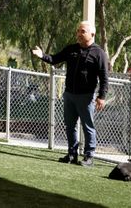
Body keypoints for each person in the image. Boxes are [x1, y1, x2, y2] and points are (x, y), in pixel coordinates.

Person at [32, 21, 108, 166]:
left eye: (82, 31)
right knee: (70, 125)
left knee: (88, 126)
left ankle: (89, 156)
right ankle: (72, 154)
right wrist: (42, 55)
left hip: (86, 97)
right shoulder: (71, 49)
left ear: (92, 34)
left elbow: (104, 77)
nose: (79, 34)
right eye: (78, 31)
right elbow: (54, 59)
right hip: (69, 95)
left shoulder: (99, 53)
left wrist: (101, 97)